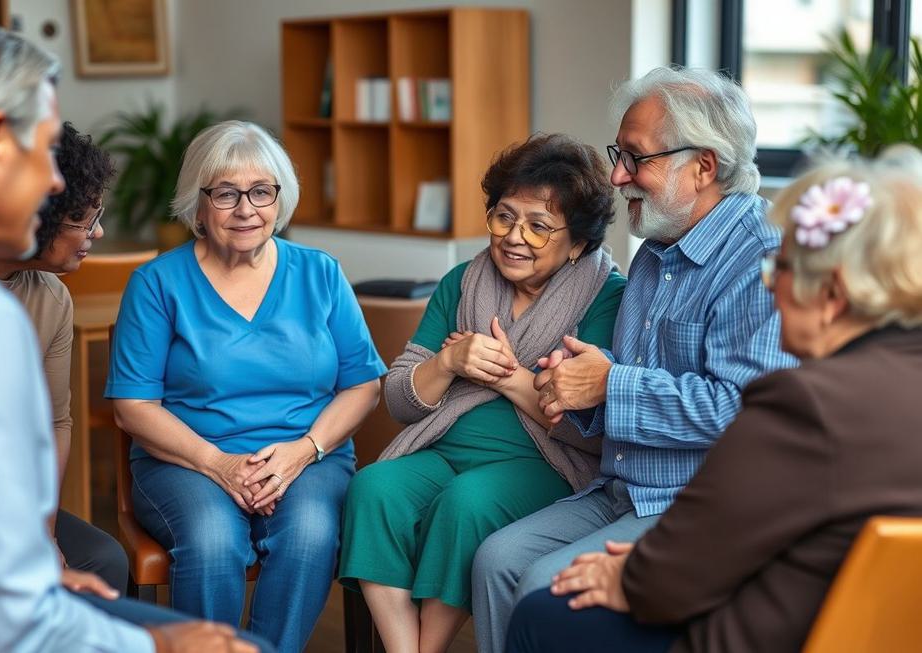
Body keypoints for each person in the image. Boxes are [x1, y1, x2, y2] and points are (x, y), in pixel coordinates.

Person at [506, 146, 922, 653]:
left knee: (542, 614)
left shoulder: (807, 403)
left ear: (832, 296)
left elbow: (680, 572)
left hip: (777, 631)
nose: (769, 288)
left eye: (779, 270)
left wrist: (632, 575)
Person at [0, 17, 266, 653]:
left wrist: (36, 557)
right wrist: (161, 645)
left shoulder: (6, 303)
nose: (54, 182)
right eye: (43, 151)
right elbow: (0, 606)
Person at [472, 66, 797, 653]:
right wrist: (577, 378)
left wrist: (609, 383)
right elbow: (633, 373)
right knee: (497, 560)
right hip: (621, 486)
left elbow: (744, 410)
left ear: (703, 166)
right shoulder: (653, 252)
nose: (617, 176)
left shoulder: (760, 258)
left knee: (546, 589)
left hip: (696, 505)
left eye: (636, 158)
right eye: (618, 154)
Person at [338, 133, 627, 652]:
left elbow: (591, 431)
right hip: (443, 449)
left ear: (578, 243)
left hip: (545, 464)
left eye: (538, 226)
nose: (514, 237)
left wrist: (501, 374)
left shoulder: (607, 298)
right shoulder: (461, 282)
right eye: (504, 217)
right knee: (373, 487)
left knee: (467, 502)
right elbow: (400, 400)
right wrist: (448, 362)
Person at [107, 119, 386, 652]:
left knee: (308, 535)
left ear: (280, 199)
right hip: (187, 460)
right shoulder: (157, 283)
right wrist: (218, 464)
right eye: (226, 194)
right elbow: (133, 406)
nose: (246, 209)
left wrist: (303, 451)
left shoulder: (320, 273)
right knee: (212, 542)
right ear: (198, 204)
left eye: (261, 192)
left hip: (309, 455)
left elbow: (363, 386)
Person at [0, 121, 129, 592]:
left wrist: (44, 531)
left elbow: (54, 422)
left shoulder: (52, 298)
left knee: (105, 561)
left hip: (9, 501)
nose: (98, 231)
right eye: (82, 219)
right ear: (35, 217)